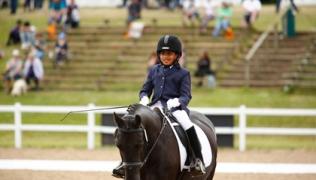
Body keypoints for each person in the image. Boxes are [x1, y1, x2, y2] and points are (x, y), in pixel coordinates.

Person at [112, 35, 206, 178]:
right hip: (155, 107)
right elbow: (145, 89)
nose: (165, 56)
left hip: (175, 109)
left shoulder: (183, 73)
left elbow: (186, 96)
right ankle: (124, 162)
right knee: (132, 127)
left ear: (177, 55)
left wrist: (177, 102)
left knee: (187, 124)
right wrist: (144, 98)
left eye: (169, 54)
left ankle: (197, 159)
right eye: (162, 53)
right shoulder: (154, 70)